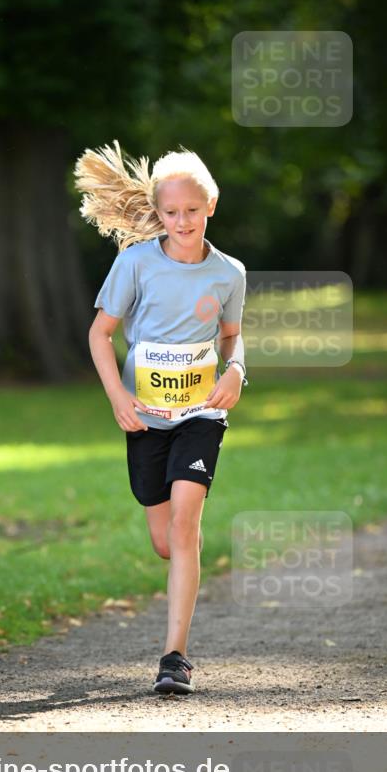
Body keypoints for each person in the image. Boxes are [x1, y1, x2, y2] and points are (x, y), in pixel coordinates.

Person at [75, 140, 247, 696]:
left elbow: (231, 335)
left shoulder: (229, 273)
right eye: (171, 212)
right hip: (145, 417)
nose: (182, 222)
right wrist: (117, 400)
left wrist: (237, 370)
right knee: (167, 541)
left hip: (201, 413)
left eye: (192, 211)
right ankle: (187, 554)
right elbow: (100, 335)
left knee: (186, 520)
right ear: (159, 212)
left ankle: (175, 658)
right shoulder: (135, 263)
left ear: (211, 206)